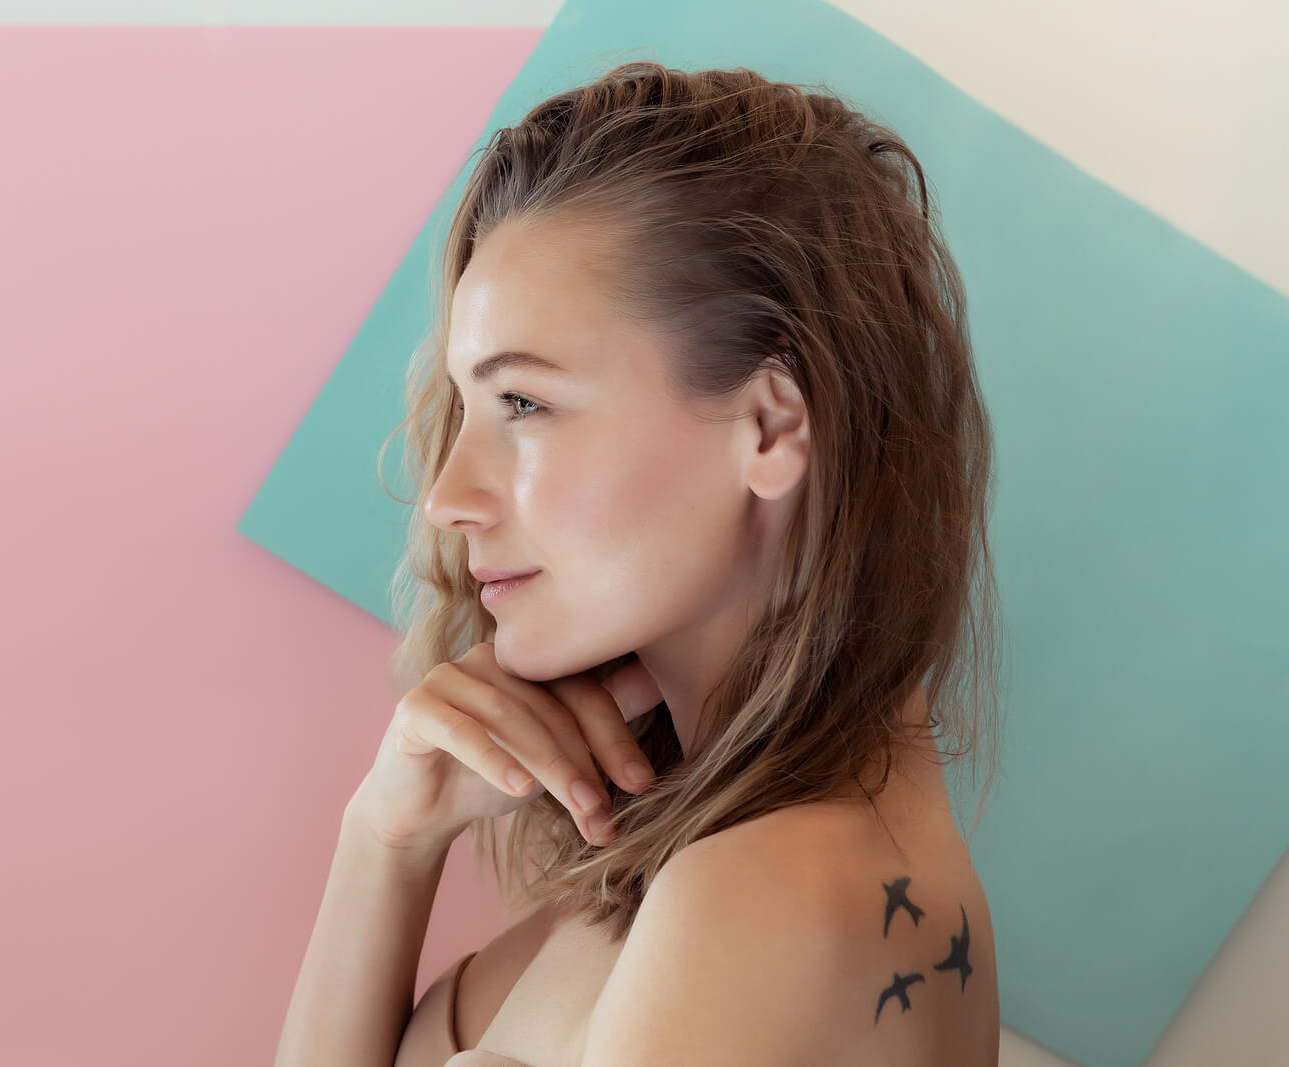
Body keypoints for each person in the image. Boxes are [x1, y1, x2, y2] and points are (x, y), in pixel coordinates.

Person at [277, 59, 1004, 1067]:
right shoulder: (710, 849)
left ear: (766, 423)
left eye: (523, 403)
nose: (446, 495)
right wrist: (386, 842)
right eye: (468, 406)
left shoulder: (767, 888)